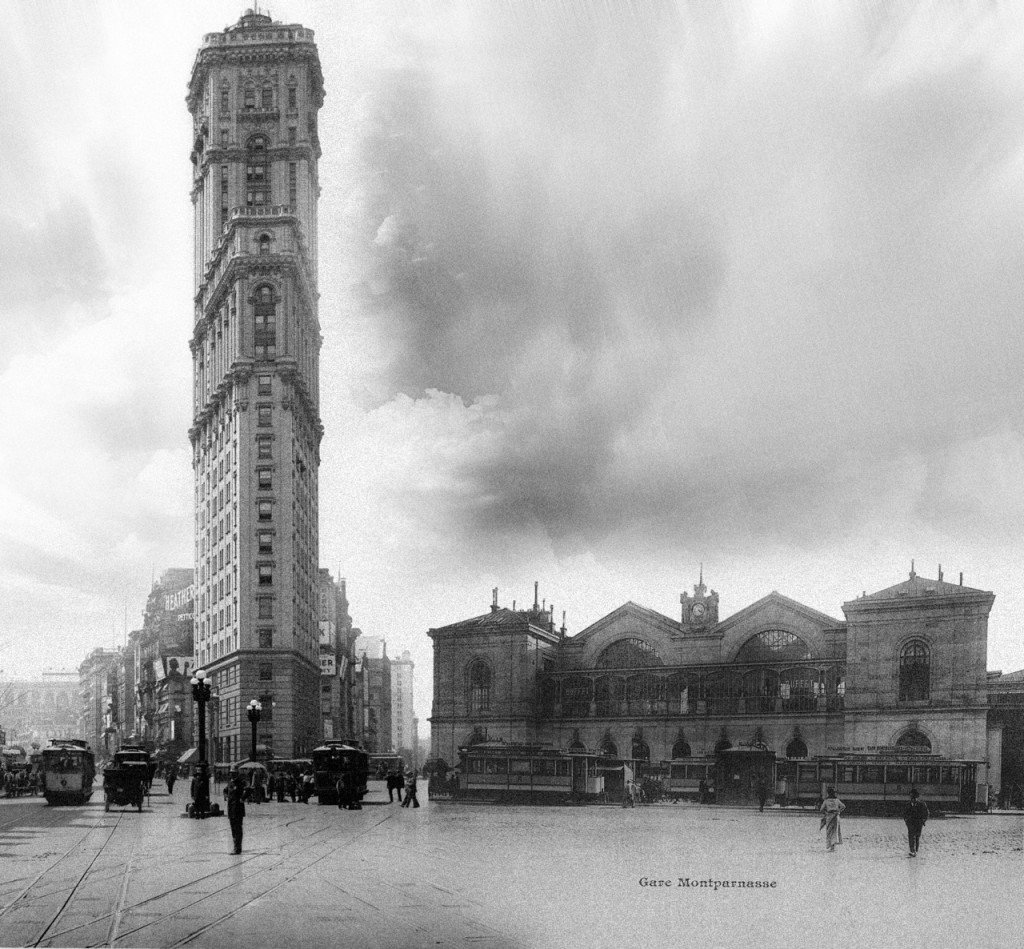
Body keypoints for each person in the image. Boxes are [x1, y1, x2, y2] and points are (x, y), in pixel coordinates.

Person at [903, 789, 929, 857]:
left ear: (917, 797)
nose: (913, 799)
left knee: (917, 837)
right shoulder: (907, 804)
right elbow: (904, 813)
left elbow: (926, 813)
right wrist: (906, 820)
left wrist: (923, 821)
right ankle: (912, 851)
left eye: (914, 797)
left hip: (919, 822)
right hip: (910, 822)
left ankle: (915, 851)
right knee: (911, 836)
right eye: (911, 797)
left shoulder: (922, 804)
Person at [226, 770, 246, 855]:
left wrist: (242, 798)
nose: (232, 775)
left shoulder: (240, 782)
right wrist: (226, 795)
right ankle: (236, 846)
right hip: (231, 809)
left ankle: (237, 848)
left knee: (237, 828)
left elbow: (247, 790)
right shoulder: (230, 782)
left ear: (237, 774)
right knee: (233, 829)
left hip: (238, 809)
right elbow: (226, 790)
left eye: (233, 773)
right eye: (231, 773)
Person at [819, 786, 845, 852]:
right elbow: (843, 806)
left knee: (829, 831)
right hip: (836, 816)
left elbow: (821, 809)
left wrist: (826, 813)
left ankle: (830, 846)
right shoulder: (837, 800)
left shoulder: (826, 801)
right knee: (835, 831)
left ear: (828, 793)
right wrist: (838, 811)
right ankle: (833, 847)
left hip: (829, 816)